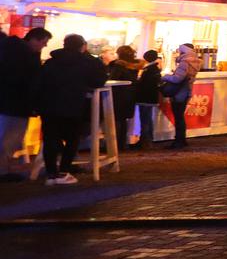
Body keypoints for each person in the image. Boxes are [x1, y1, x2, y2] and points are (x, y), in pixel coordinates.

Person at [34, 34, 108, 185]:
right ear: (83, 46)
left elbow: (39, 83)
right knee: (72, 138)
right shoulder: (88, 63)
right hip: (73, 104)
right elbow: (98, 81)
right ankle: (63, 172)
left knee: (50, 139)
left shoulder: (51, 62)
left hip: (48, 106)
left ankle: (51, 174)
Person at [0, 27, 51, 179]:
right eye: (44, 42)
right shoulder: (24, 55)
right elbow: (28, 81)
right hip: (16, 104)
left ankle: (4, 168)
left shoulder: (12, 50)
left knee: (8, 137)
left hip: (9, 102)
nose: (45, 46)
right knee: (9, 138)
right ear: (34, 39)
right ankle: (2, 171)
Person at [162, 44, 201, 149]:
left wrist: (165, 77)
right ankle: (182, 140)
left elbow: (177, 79)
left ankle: (178, 141)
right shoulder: (195, 61)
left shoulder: (184, 63)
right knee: (180, 117)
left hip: (179, 93)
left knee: (178, 117)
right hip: (187, 91)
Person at [106, 45, 143, 150]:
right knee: (123, 120)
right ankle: (122, 144)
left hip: (118, 95)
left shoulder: (119, 66)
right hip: (130, 95)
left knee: (116, 120)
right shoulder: (135, 66)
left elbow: (112, 79)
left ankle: (115, 145)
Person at [132, 51, 162, 150]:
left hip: (145, 98)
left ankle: (144, 141)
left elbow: (143, 84)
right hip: (151, 98)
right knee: (148, 118)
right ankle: (148, 140)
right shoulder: (155, 69)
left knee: (144, 119)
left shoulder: (148, 69)